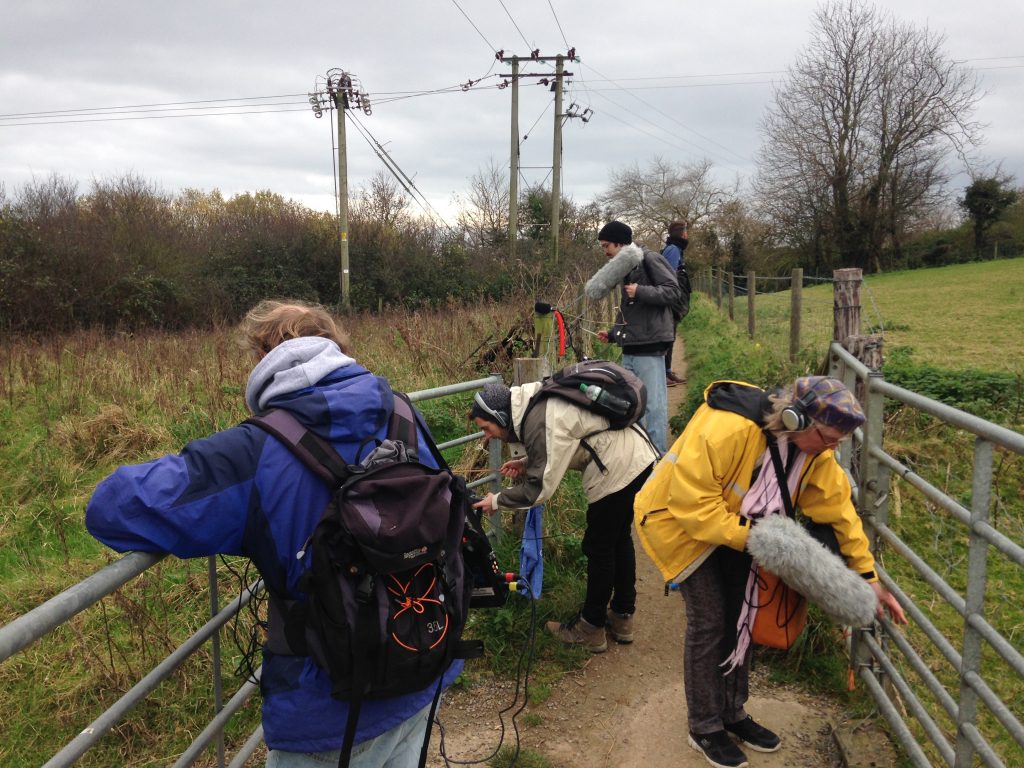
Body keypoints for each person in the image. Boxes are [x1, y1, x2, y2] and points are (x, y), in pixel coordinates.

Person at [85, 300, 462, 768]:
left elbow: (110, 509)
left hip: (325, 713)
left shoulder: (253, 451)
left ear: (260, 359)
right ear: (336, 347)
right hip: (422, 665)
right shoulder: (405, 413)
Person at [634, 376, 907, 768]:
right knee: (711, 619)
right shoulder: (727, 430)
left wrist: (868, 579)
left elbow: (840, 513)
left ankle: (733, 713)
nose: (834, 448)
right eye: (829, 438)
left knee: (743, 616)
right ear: (797, 421)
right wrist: (760, 539)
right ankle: (704, 725)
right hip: (679, 524)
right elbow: (692, 504)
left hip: (743, 530)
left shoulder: (814, 454)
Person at [469, 378, 659, 652]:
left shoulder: (536, 421)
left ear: (500, 416)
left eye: (486, 428)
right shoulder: (535, 402)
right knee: (617, 539)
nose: (487, 436)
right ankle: (622, 616)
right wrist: (525, 464)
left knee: (599, 547)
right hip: (635, 457)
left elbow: (538, 490)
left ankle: (591, 628)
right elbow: (564, 441)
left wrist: (496, 501)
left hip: (618, 467)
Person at [585, 220, 680, 454]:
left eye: (606, 245)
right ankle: (640, 458)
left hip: (650, 347)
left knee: (654, 407)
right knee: (634, 406)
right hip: (631, 348)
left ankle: (658, 458)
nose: (604, 251)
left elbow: (673, 291)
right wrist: (614, 334)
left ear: (620, 243)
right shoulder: (626, 267)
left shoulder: (650, 259)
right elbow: (630, 311)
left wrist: (641, 291)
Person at [661, 221, 689, 387]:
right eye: (686, 232)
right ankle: (663, 374)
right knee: (667, 335)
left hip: (675, 300)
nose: (688, 235)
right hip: (671, 301)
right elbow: (668, 277)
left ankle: (668, 371)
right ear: (682, 233)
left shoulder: (677, 249)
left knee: (671, 335)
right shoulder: (672, 250)